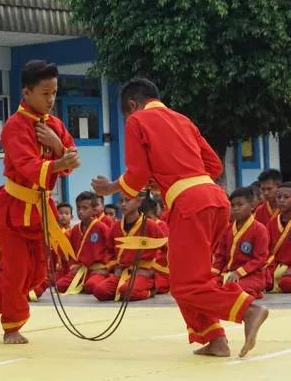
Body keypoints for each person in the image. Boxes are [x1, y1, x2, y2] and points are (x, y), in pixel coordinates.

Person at [92, 78, 268, 358]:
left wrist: (110, 188)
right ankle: (214, 339)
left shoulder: (137, 121)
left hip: (190, 206)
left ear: (132, 105)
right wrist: (167, 179)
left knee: (186, 284)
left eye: (127, 113)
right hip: (215, 199)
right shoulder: (183, 119)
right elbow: (213, 165)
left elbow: (136, 175)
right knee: (189, 278)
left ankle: (248, 310)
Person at [0, 59, 79, 344]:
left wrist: (57, 146)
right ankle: (11, 327)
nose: (51, 99)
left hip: (43, 208)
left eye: (54, 92)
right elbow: (27, 166)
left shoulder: (54, 124)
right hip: (15, 206)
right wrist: (60, 159)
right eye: (45, 93)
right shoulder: (14, 127)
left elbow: (71, 158)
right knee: (17, 270)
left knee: (37, 273)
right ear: (27, 92)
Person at [93, 192, 164, 302]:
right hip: (122, 271)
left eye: (127, 200)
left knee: (126, 291)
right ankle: (125, 289)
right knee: (99, 291)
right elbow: (109, 251)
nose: (123, 204)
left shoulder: (150, 225)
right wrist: (115, 267)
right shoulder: (116, 226)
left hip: (143, 273)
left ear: (138, 202)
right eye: (120, 201)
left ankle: (151, 291)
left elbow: (165, 248)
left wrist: (151, 270)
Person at [213, 187, 269, 299]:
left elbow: (260, 259)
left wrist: (238, 273)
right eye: (232, 205)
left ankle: (255, 291)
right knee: (209, 286)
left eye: (240, 205)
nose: (235, 209)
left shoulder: (259, 229)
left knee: (233, 288)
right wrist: (213, 273)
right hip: (229, 274)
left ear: (252, 206)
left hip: (252, 275)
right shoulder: (227, 229)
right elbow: (220, 256)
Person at [55, 191, 112, 294]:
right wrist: (73, 266)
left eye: (85, 208)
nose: (80, 211)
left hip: (97, 270)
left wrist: (106, 268)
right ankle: (83, 284)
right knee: (59, 286)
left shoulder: (101, 227)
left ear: (94, 210)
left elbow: (112, 249)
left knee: (91, 286)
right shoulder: (75, 229)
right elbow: (69, 251)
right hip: (80, 270)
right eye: (78, 208)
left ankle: (101, 280)